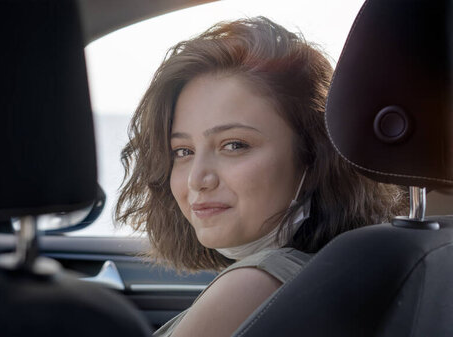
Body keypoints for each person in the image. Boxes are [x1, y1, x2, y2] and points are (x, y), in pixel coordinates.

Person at [115, 17, 406, 337]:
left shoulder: (251, 287)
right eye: (183, 151)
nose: (197, 179)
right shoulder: (328, 272)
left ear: (312, 156)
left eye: (234, 145)